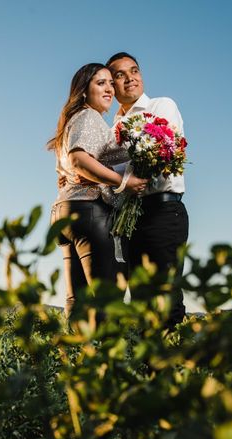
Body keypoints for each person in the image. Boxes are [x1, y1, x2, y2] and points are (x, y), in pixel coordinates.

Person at [48, 63, 147, 320]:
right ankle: (107, 356)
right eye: (100, 83)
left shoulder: (71, 122)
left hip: (66, 212)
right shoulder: (89, 117)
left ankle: (74, 355)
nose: (110, 89)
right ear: (83, 91)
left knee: (77, 300)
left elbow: (67, 170)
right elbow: (80, 160)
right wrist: (123, 182)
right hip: (88, 210)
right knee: (107, 297)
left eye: (110, 84)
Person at [107, 52, 189, 327]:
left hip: (163, 211)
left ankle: (172, 366)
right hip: (131, 221)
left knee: (165, 297)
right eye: (120, 75)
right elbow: (113, 174)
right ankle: (148, 367)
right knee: (141, 301)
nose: (130, 78)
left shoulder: (161, 106)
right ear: (112, 85)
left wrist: (113, 177)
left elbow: (160, 154)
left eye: (134, 71)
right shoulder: (113, 127)